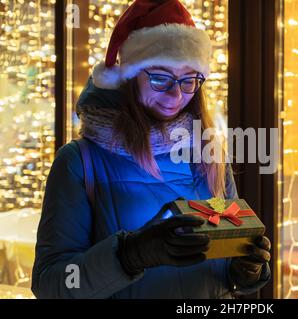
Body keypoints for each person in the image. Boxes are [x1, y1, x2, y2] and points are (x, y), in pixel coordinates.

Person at [31, 0, 271, 299]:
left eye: (189, 80)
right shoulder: (79, 162)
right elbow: (51, 284)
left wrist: (244, 272)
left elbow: (221, 272)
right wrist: (130, 255)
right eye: (160, 77)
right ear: (130, 75)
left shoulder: (207, 154)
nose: (176, 94)